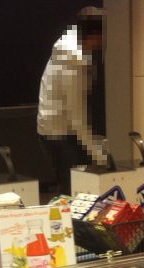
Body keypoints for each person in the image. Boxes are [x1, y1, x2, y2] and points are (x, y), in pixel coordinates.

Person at [37, 7, 107, 196]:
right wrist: (100, 156)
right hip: (58, 134)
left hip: (60, 130)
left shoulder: (75, 49)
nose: (105, 41)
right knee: (74, 192)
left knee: (75, 188)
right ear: (93, 35)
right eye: (103, 35)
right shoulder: (71, 64)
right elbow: (77, 117)